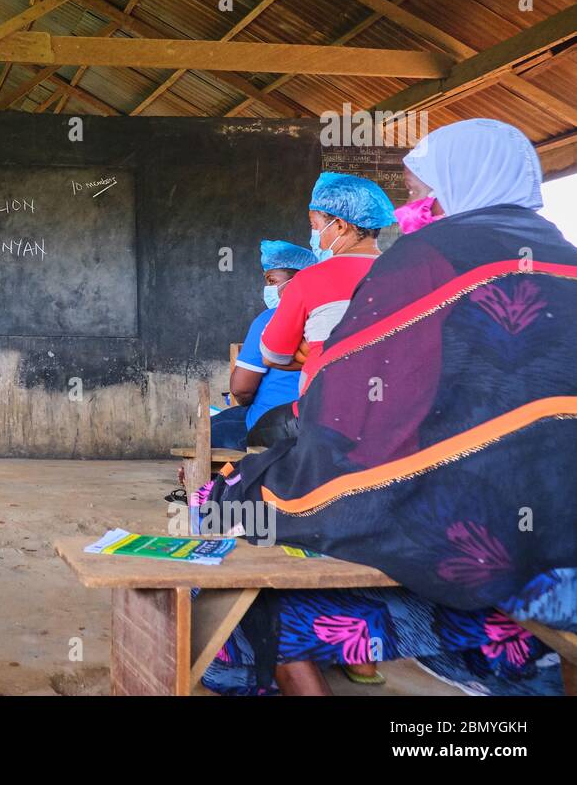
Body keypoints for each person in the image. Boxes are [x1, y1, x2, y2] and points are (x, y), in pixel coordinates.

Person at [200, 118, 577, 695]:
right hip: (563, 518)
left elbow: (347, 401)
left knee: (222, 501)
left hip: (474, 514)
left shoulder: (428, 257)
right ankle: (508, 656)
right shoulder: (564, 257)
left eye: (420, 193)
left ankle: (294, 655)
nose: (414, 207)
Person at [251, 172, 396, 445]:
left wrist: (317, 352)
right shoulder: (404, 272)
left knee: (258, 436)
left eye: (315, 225)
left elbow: (271, 355)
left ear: (339, 225)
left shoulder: (310, 279)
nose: (315, 235)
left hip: (326, 415)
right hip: (393, 414)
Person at [211, 240, 317, 450]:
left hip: (271, 427)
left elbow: (241, 389)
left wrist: (248, 402)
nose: (268, 289)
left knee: (212, 430)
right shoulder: (329, 317)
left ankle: (219, 480)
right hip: (320, 426)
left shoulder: (269, 320)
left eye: (272, 281)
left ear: (298, 280)